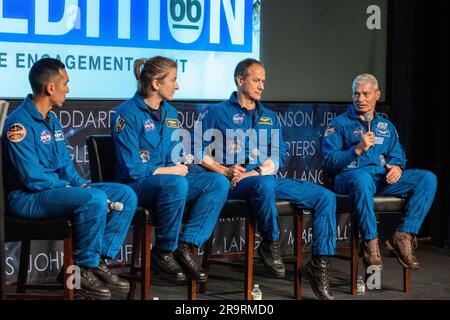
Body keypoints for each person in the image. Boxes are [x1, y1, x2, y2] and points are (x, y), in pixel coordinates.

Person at [193, 58, 337, 300]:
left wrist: (257, 171)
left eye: (264, 81)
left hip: (264, 179)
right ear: (240, 80)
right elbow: (195, 150)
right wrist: (224, 170)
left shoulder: (269, 116)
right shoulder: (216, 112)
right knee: (265, 183)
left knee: (325, 197)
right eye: (256, 80)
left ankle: (318, 265)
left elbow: (279, 154)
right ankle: (270, 243)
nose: (261, 86)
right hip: (232, 182)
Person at [2, 58, 137, 299]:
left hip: (55, 191)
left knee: (124, 194)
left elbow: (65, 163)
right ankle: (81, 269)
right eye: (65, 83)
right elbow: (33, 178)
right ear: (50, 88)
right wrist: (72, 188)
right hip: (28, 198)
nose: (69, 89)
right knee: (93, 199)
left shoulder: (52, 119)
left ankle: (96, 262)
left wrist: (78, 184)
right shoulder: (18, 124)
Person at [111, 56, 229, 284]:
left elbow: (175, 157)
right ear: (156, 84)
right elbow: (133, 169)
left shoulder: (172, 114)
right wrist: (170, 172)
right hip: (136, 186)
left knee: (217, 182)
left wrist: (180, 166)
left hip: (171, 185)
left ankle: (186, 246)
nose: (177, 86)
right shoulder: (126, 114)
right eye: (173, 80)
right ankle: (163, 251)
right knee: (176, 183)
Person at [322, 73, 437, 271]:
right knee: (363, 178)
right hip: (349, 180)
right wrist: (356, 149)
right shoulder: (338, 125)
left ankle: (403, 235)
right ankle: (370, 242)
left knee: (427, 178)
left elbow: (398, 154)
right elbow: (329, 161)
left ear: (377, 95)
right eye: (356, 94)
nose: (361, 99)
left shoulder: (386, 125)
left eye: (366, 94)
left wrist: (397, 167)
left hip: (380, 181)